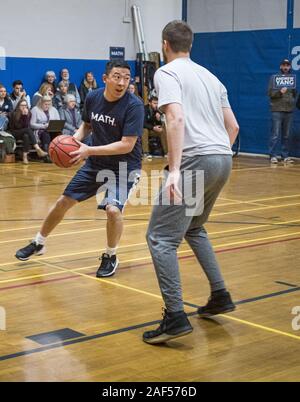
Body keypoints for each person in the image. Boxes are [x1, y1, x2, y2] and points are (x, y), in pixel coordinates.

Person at [143, 21, 239, 345]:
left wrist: (174, 169)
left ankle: (175, 317)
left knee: (159, 238)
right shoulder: (212, 77)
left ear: (165, 44)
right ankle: (220, 295)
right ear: (190, 45)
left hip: (196, 160)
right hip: (223, 158)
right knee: (194, 228)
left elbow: (176, 118)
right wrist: (215, 153)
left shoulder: (167, 73)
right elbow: (234, 127)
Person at [15, 60, 144, 279]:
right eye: (117, 77)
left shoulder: (134, 105)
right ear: (105, 79)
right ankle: (39, 242)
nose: (122, 82)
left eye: (126, 78)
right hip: (96, 164)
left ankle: (111, 255)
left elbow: (127, 144)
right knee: (63, 201)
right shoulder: (93, 97)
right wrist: (73, 142)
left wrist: (88, 150)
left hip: (125, 167)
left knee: (113, 210)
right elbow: (87, 125)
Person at [268, 59, 297, 164]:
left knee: (287, 135)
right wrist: (280, 92)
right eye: (284, 65)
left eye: (287, 65)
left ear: (290, 67)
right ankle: (273, 155)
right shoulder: (274, 78)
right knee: (275, 134)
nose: (285, 67)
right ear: (280, 66)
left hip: (289, 110)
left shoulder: (292, 79)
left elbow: (294, 93)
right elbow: (270, 93)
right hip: (277, 110)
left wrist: (292, 103)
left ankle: (285, 156)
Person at [9, 99, 48, 164]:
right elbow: (17, 126)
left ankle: (25, 157)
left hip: (24, 132)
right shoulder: (14, 113)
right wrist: (23, 116)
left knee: (26, 136)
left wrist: (25, 116)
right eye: (22, 105)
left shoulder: (28, 113)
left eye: (25, 105)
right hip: (14, 132)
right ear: (18, 106)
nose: (24, 107)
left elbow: (26, 126)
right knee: (27, 130)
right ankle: (38, 149)